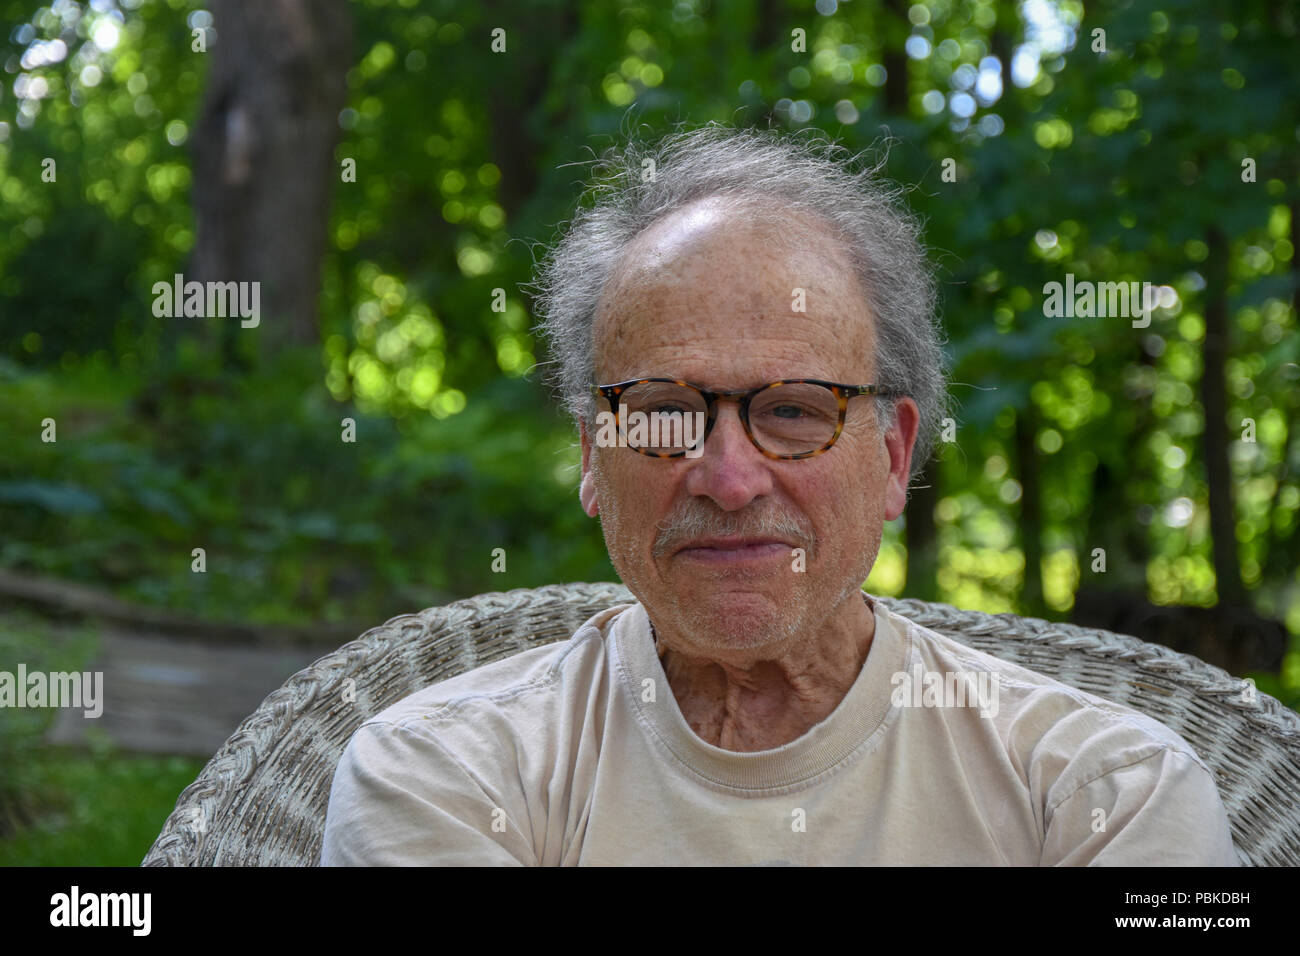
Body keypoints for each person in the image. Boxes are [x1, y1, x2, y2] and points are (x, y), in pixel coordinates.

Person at [321, 123, 1239, 866]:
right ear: (594, 458)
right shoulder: (441, 772)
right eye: (663, 411)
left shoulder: (1104, 792)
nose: (727, 479)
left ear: (892, 456)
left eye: (796, 411)